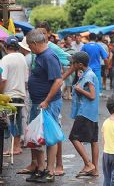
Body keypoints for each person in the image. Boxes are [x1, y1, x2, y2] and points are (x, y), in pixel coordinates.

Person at [23, 29, 63, 183]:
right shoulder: (40, 56)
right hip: (38, 102)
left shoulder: (49, 56)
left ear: (34, 43)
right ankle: (40, 169)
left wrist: (46, 100)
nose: (29, 48)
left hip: (48, 103)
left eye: (29, 45)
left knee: (49, 136)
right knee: (37, 136)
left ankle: (50, 171)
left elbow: (58, 81)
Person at [68, 51, 100, 177]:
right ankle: (95, 170)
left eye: (74, 63)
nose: (72, 64)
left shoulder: (88, 76)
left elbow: (92, 95)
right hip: (92, 113)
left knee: (73, 137)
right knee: (93, 140)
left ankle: (88, 164)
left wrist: (79, 89)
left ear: (80, 64)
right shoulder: (88, 74)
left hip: (85, 112)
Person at [0, 36, 28, 155]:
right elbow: (26, 79)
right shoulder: (22, 58)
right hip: (21, 95)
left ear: (6, 47)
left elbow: (3, 80)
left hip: (8, 96)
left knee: (8, 121)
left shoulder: (5, 59)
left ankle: (14, 147)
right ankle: (16, 146)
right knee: (16, 120)